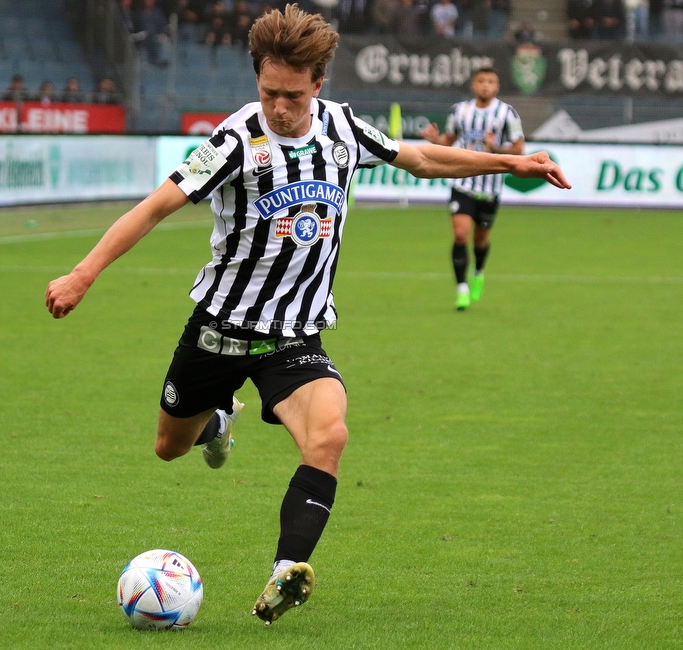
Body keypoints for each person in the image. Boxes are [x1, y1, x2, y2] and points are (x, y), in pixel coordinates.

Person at [45, 4, 567, 625]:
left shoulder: (343, 130)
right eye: (269, 93)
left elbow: (422, 158)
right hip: (218, 329)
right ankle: (215, 424)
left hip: (294, 335)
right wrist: (83, 273)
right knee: (168, 447)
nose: (279, 107)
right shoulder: (235, 141)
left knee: (330, 436)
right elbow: (154, 207)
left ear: (318, 84)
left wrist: (512, 162)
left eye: (293, 95)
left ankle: (284, 572)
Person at [420, 66, 525, 310]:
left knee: (481, 239)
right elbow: (449, 141)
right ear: (473, 85)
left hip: (490, 187)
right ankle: (462, 288)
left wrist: (495, 148)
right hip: (462, 183)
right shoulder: (460, 111)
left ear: (497, 86)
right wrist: (434, 140)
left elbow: (519, 149)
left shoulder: (507, 113)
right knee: (460, 234)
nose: (485, 85)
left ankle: (478, 271)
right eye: (481, 81)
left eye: (490, 81)